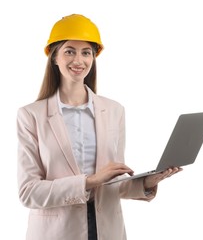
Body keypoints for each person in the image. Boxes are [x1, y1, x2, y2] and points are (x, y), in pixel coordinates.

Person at [16, 14, 182, 240]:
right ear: (54, 57)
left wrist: (147, 182)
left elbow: (114, 184)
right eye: (69, 51)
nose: (78, 60)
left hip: (107, 229)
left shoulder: (114, 111)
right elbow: (28, 192)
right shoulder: (31, 115)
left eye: (86, 52)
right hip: (56, 232)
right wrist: (89, 181)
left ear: (94, 58)